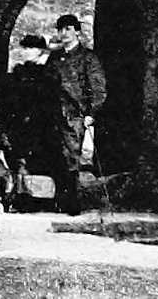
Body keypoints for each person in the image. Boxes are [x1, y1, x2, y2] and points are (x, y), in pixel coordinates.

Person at [44, 13, 106, 216]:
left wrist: (91, 113)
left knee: (71, 157)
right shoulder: (54, 58)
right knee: (55, 156)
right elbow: (45, 86)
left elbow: (98, 88)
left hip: (74, 115)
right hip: (54, 114)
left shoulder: (88, 58)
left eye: (68, 29)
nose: (64, 33)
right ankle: (60, 200)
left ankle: (73, 203)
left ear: (77, 32)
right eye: (60, 29)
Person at [0, 34, 51, 212]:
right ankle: (20, 197)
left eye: (31, 48)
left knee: (36, 162)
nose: (27, 52)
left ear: (40, 51)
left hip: (39, 125)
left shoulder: (47, 73)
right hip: (18, 124)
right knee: (17, 160)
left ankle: (37, 200)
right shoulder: (17, 73)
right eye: (25, 48)